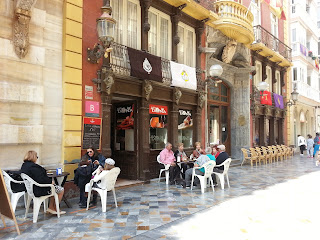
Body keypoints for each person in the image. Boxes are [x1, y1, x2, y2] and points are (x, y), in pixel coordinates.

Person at [20, 151, 65, 215]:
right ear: (33, 157)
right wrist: (50, 182)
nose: (37, 159)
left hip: (32, 189)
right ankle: (55, 208)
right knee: (60, 190)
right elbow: (40, 179)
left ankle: (51, 207)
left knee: (54, 188)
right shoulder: (34, 167)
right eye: (36, 157)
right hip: (39, 189)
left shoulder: (24, 166)